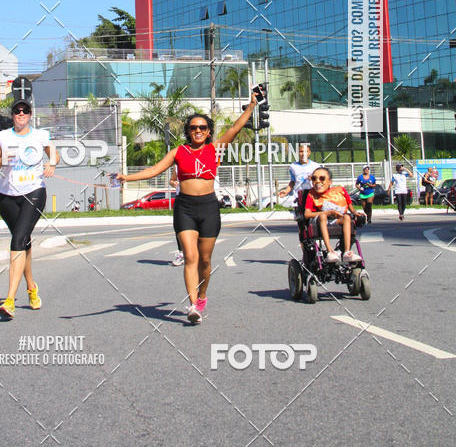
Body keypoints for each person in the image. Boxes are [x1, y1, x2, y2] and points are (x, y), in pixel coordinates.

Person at [116, 92, 258, 324]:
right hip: (185, 209)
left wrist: (251, 105)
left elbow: (235, 127)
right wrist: (127, 177)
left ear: (209, 131)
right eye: (193, 128)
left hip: (209, 207)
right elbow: (154, 170)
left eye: (202, 127)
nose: (198, 130)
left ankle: (202, 296)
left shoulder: (216, 150)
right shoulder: (178, 152)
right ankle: (193, 306)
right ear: (188, 131)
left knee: (205, 260)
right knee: (190, 257)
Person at [0, 99, 57, 319]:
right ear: (12, 115)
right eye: (17, 111)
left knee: (17, 240)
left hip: (33, 193)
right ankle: (31, 287)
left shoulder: (40, 135)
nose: (21, 114)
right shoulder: (2, 137)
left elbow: (54, 153)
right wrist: (1, 162)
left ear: (30, 115)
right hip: (7, 197)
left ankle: (9, 300)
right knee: (23, 241)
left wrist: (51, 163)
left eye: (25, 111)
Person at [303, 166, 361, 264]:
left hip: (335, 219)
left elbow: (350, 207)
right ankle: (330, 252)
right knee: (323, 216)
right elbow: (307, 214)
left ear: (330, 182)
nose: (317, 181)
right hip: (318, 220)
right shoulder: (311, 194)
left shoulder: (340, 190)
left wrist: (356, 213)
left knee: (347, 217)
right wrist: (328, 213)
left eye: (322, 178)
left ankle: (347, 252)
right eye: (314, 178)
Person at [278, 142, 318, 207]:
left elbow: (320, 182)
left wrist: (313, 179)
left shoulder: (316, 166)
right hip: (298, 198)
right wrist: (287, 191)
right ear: (298, 153)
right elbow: (293, 181)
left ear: (309, 152)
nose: (303, 154)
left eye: (306, 151)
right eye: (301, 151)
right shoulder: (293, 166)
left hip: (312, 197)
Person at [169, 169, 184, 266]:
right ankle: (181, 253)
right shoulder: (178, 166)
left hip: (197, 199)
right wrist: (173, 183)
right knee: (179, 228)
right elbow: (171, 180)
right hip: (181, 199)